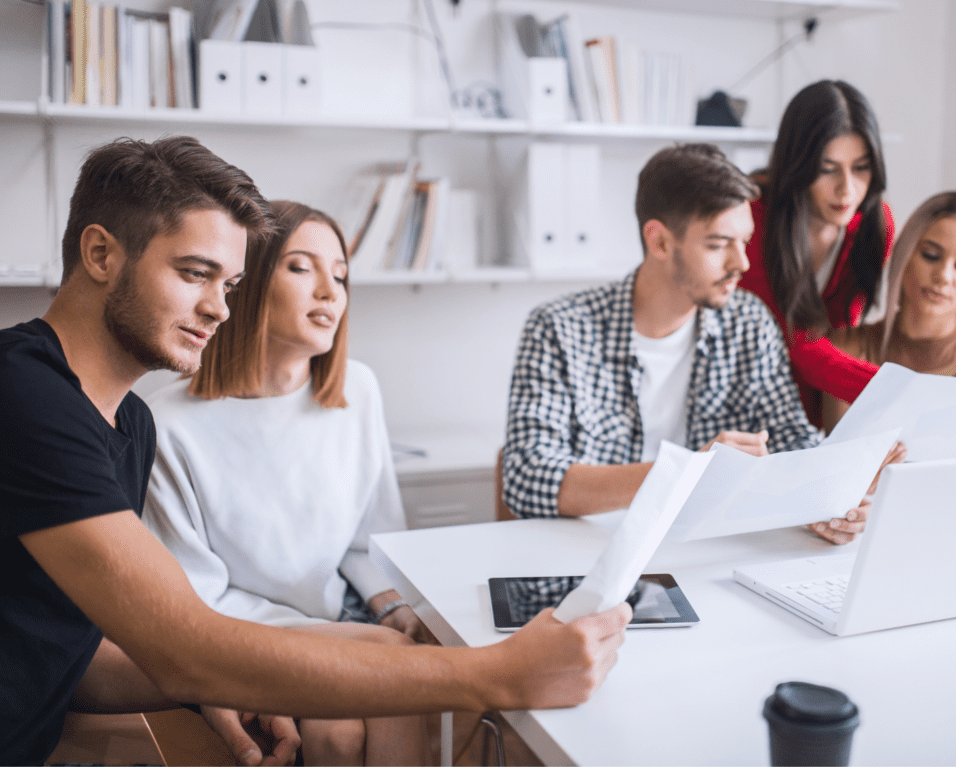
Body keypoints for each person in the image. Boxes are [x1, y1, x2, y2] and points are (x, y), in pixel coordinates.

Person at [0, 136, 631, 766]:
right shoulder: (26, 396)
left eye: (231, 283)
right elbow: (183, 645)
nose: (219, 308)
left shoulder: (126, 422)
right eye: (195, 273)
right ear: (101, 253)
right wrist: (496, 674)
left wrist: (221, 683)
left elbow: (73, 659)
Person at [142, 200, 431, 765]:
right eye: (302, 268)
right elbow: (197, 599)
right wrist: (323, 643)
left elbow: (366, 541)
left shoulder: (359, 390)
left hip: (342, 615)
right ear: (246, 286)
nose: (330, 290)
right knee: (338, 735)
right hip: (242, 637)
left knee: (408, 685)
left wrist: (392, 605)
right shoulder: (167, 424)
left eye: (341, 275)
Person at [502, 143, 884, 545]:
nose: (743, 264)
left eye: (745, 241)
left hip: (705, 553)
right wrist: (685, 474)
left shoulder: (749, 321)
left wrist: (826, 497)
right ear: (661, 242)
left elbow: (791, 438)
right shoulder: (559, 329)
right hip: (584, 557)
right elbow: (528, 477)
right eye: (719, 245)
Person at [739, 80, 897, 428]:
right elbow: (796, 348)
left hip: (816, 420)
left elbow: (840, 337)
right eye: (827, 169)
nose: (847, 189)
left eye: (861, 167)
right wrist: (902, 392)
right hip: (744, 410)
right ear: (798, 162)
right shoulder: (751, 220)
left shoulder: (875, 225)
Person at [823, 191, 956, 453]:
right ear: (904, 256)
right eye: (930, 255)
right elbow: (833, 472)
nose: (943, 275)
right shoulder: (847, 349)